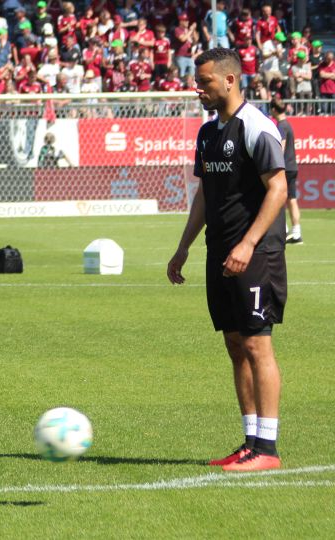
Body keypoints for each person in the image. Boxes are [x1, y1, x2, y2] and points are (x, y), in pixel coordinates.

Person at [167, 48, 288, 472]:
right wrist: (183, 246)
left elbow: (278, 189)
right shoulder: (207, 132)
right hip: (219, 252)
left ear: (231, 80)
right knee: (235, 345)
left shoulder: (257, 127)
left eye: (205, 81)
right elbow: (205, 194)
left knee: (257, 343)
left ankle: (267, 450)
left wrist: (248, 243)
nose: (198, 88)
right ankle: (250, 441)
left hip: (254, 253)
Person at [270, 97, 302, 244]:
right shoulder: (288, 124)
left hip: (285, 167)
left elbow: (280, 147)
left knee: (278, 198)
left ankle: (283, 230)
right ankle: (296, 232)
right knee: (291, 199)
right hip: (292, 166)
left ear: (274, 110)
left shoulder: (281, 126)